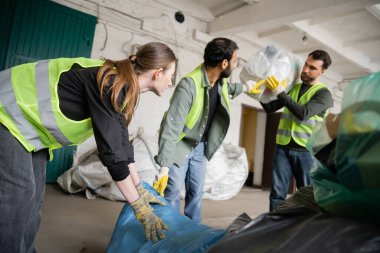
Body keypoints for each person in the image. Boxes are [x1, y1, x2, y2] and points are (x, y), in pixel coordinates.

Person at [0, 42, 176, 252]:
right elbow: (112, 155)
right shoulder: (110, 81)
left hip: (29, 129)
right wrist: (138, 206)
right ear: (158, 73)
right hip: (7, 113)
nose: (171, 81)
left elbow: (122, 147)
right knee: (18, 197)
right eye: (171, 75)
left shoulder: (120, 86)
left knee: (34, 199)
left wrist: (139, 188)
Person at [152, 37, 245, 223]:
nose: (235, 66)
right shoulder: (189, 85)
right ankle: (168, 237)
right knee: (172, 192)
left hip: (200, 148)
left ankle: (192, 236)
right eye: (235, 62)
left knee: (196, 194)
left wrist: (250, 87)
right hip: (181, 147)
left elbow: (231, 89)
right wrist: (164, 166)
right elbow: (172, 126)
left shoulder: (221, 83)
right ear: (224, 63)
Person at [260, 50, 333, 211]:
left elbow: (303, 113)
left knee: (306, 195)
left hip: (306, 152)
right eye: (306, 64)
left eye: (312, 68)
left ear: (322, 71)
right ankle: (274, 228)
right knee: (277, 193)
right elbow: (270, 107)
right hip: (283, 148)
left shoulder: (324, 95)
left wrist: (280, 92)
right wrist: (258, 93)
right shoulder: (293, 88)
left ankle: (302, 232)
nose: (305, 70)